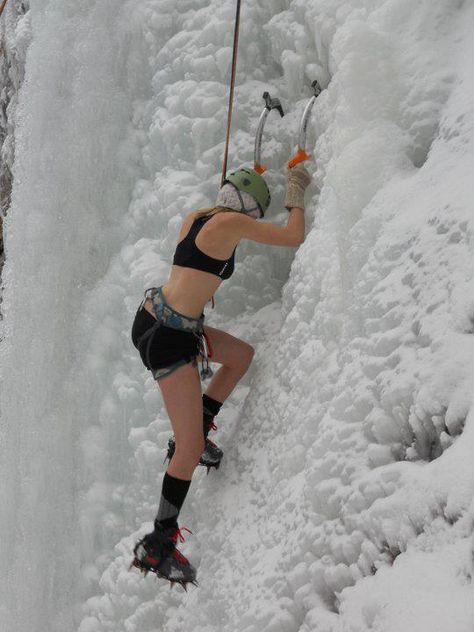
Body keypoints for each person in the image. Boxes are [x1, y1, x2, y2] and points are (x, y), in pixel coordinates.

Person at [130, 163, 312, 588]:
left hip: (166, 320)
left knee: (240, 356)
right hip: (170, 337)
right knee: (188, 450)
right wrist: (297, 192)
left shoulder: (200, 217)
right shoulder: (229, 222)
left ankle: (198, 427)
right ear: (248, 207)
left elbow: (199, 267)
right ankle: (158, 544)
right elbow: (293, 236)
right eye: (253, 213)